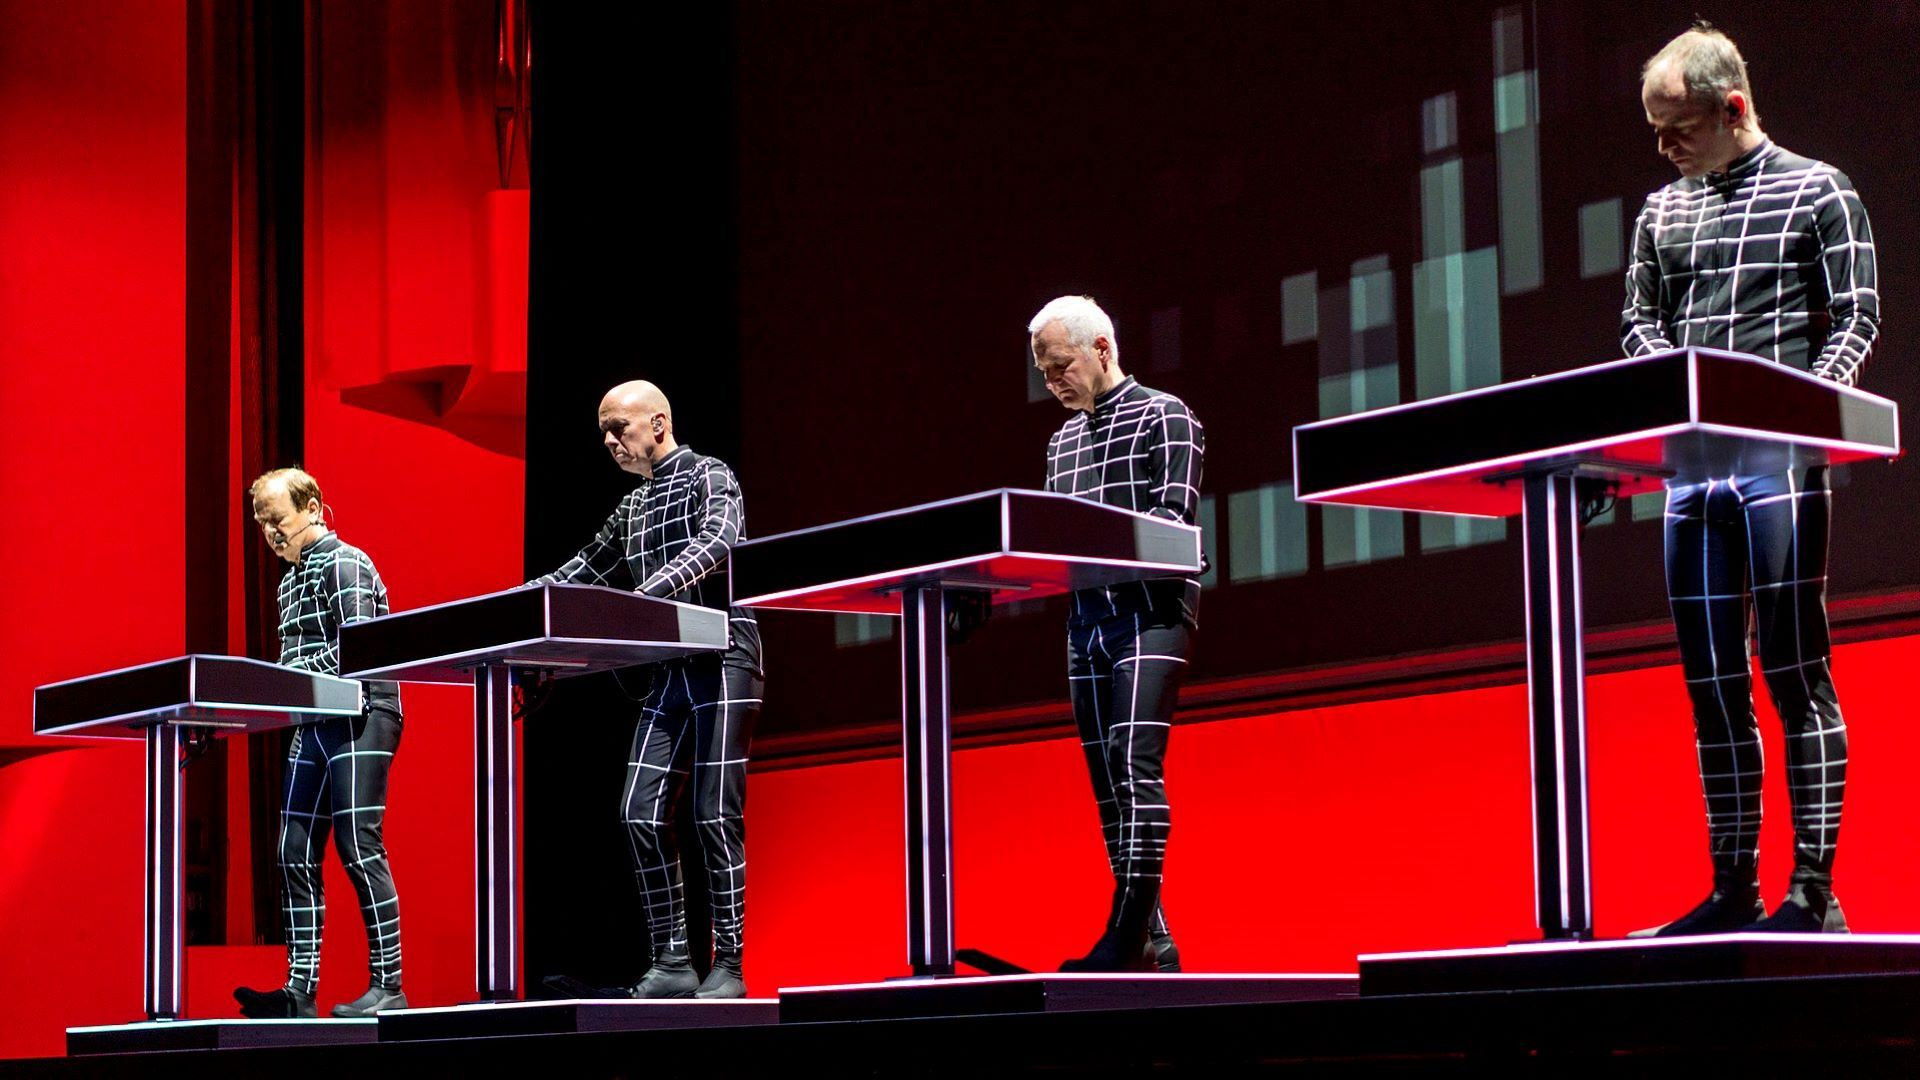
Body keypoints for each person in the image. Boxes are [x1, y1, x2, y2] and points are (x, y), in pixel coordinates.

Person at [1623, 23, 1879, 936]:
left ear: (1733, 107)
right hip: (1692, 478)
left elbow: (1856, 317)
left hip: (1780, 468)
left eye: (1680, 127)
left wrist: (1800, 414)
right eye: (1655, 132)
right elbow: (1639, 326)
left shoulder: (1820, 191)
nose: (1665, 146)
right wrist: (1676, 400)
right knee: (1711, 685)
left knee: (1796, 671)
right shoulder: (1660, 213)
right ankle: (1733, 888)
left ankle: (1813, 892)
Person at [532, 380, 765, 996]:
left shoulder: (710, 474)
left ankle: (729, 964)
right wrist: (519, 603)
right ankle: (673, 959)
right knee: (639, 810)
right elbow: (582, 569)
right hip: (669, 669)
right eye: (603, 432)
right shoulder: (632, 505)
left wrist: (645, 599)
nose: (610, 441)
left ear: (658, 423)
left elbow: (717, 541)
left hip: (724, 656)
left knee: (715, 813)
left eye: (620, 427)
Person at [1030, 295, 1204, 971]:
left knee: (1134, 766)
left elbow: (1173, 524)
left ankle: (1126, 936)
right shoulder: (1061, 442)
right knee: (1107, 783)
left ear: (1101, 348)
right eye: (1043, 373)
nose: (1052, 382)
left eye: (1059, 366)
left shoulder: (1166, 416)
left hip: (1151, 612)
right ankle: (1152, 939)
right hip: (1086, 622)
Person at [235, 468, 408, 1018]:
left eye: (277, 518)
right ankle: (299, 991)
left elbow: (359, 648)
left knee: (358, 845)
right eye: (262, 523)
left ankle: (390, 986)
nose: (270, 532)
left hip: (363, 712)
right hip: (313, 722)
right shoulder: (288, 583)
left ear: (312, 507)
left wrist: (289, 683)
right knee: (293, 849)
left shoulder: (344, 562)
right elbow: (295, 660)